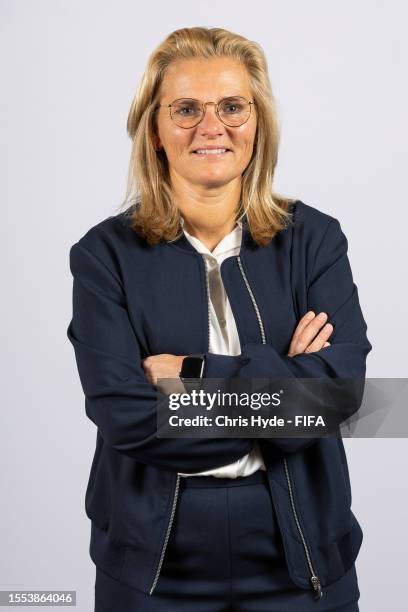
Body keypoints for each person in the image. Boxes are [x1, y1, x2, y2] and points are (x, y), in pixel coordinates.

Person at [66, 26, 372, 612]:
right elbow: (125, 416)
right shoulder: (104, 256)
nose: (212, 127)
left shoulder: (315, 241)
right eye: (186, 109)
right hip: (155, 567)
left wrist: (194, 373)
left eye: (233, 106)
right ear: (155, 130)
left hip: (301, 554)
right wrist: (284, 386)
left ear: (258, 123)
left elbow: (342, 397)